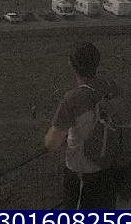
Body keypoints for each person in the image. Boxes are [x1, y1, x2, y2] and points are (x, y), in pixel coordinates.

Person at [44, 42, 116, 209]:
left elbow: (51, 143)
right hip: (109, 167)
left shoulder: (73, 98)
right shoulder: (110, 86)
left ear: (71, 65)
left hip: (83, 173)